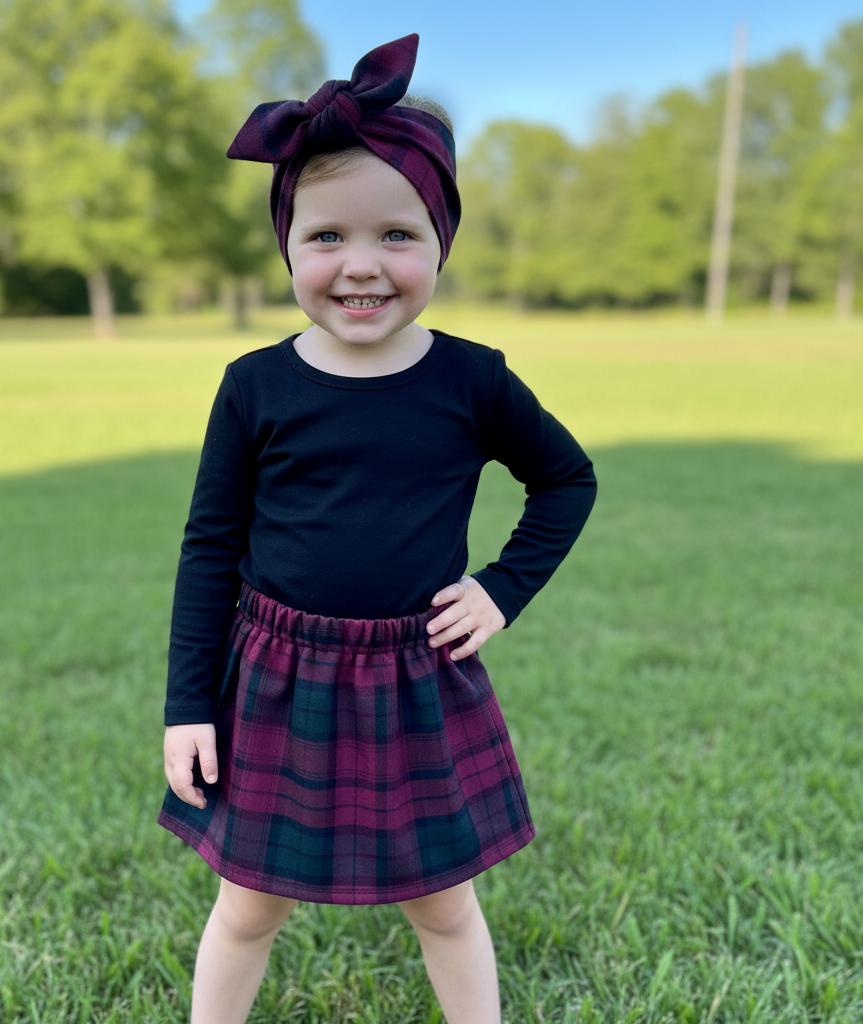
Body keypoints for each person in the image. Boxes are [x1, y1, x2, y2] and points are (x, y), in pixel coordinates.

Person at [159, 33, 596, 1024]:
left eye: (397, 234)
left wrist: (501, 588)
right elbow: (208, 548)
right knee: (247, 906)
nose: (361, 265)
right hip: (276, 676)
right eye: (326, 237)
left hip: (415, 678)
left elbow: (566, 478)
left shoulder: (472, 379)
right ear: (287, 246)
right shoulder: (255, 386)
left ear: (442, 243)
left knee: (443, 905)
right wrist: (188, 706)